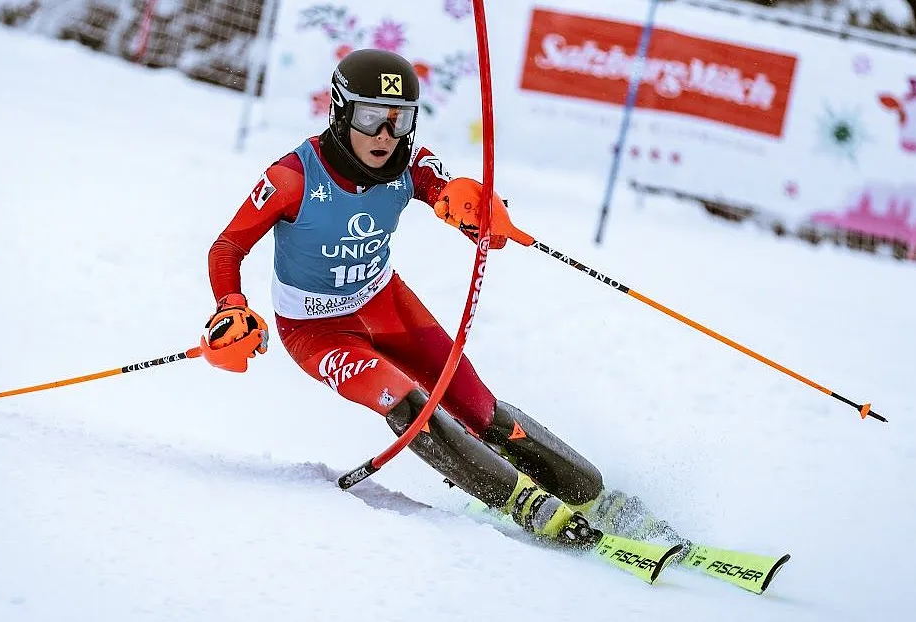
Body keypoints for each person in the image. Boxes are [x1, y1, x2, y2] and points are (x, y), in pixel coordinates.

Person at [202, 48, 664, 549]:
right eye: (372, 117)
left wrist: (480, 214)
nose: (385, 136)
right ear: (339, 110)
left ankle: (590, 494)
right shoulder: (292, 177)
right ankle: (527, 506)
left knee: (480, 409)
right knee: (409, 402)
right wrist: (231, 305)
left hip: (387, 304)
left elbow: (449, 193)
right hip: (317, 333)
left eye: (400, 122)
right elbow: (227, 246)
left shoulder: (410, 164)